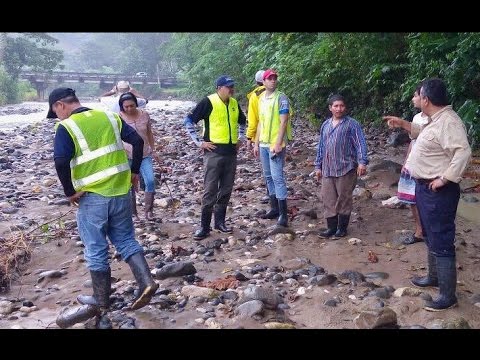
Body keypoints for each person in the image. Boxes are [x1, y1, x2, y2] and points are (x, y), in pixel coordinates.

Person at [49, 87, 158, 329]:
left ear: (60, 105)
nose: (57, 117)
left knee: (96, 248)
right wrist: (135, 171)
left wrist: (69, 192)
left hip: (93, 197)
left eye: (56, 112)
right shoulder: (109, 116)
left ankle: (101, 300)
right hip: (121, 191)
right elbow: (138, 142)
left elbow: (60, 160)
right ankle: (146, 281)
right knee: (126, 240)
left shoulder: (66, 127)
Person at [384, 78, 471, 311]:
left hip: (439, 190)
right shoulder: (436, 120)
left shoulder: (449, 122)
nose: (417, 98)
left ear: (426, 99)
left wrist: (444, 178)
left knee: (441, 239)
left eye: (419, 95)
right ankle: (434, 278)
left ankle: (447, 296)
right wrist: (403, 124)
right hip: (424, 187)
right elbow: (423, 133)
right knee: (431, 235)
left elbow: (463, 152)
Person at [184, 75, 246, 240]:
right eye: (228, 87)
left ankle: (220, 223)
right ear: (219, 88)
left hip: (231, 153)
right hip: (213, 153)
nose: (231, 89)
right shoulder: (208, 102)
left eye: (232, 86)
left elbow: (243, 122)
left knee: (226, 189)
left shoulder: (233, 103)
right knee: (210, 190)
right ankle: (204, 227)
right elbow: (189, 120)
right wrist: (199, 142)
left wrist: (241, 138)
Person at [315, 94, 368, 238]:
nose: (339, 109)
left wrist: (362, 162)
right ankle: (331, 228)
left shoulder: (352, 124)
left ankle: (342, 228)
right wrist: (318, 166)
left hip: (346, 167)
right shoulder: (325, 125)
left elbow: (360, 144)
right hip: (327, 168)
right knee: (328, 198)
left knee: (344, 198)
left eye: (342, 106)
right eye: (336, 106)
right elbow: (321, 147)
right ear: (330, 108)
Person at [253, 69, 293, 227]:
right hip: (263, 143)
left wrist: (277, 143)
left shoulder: (281, 98)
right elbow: (260, 122)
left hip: (275, 145)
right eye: (270, 79)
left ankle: (284, 215)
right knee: (268, 176)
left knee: (278, 177)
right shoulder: (261, 98)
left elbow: (283, 121)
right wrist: (256, 143)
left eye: (275, 78)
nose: (273, 81)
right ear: (263, 82)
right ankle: (274, 208)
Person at [119, 92, 160, 221]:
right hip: (126, 155)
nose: (129, 109)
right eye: (126, 107)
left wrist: (154, 150)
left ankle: (148, 212)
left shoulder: (144, 115)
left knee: (150, 180)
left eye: (132, 105)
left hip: (144, 154)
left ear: (136, 104)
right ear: (122, 107)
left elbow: (149, 133)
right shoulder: (118, 117)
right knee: (129, 184)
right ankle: (133, 213)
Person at [396, 83, 428, 245]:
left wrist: (401, 123)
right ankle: (419, 230)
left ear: (425, 98)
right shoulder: (416, 118)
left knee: (425, 200)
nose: (413, 99)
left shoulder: (434, 119)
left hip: (425, 167)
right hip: (412, 164)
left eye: (415, 95)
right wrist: (406, 161)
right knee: (411, 200)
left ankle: (427, 230)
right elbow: (413, 142)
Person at [246, 70, 269, 204]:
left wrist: (249, 138)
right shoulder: (278, 95)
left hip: (261, 136)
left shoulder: (255, 95)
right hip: (276, 136)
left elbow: (253, 120)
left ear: (256, 82)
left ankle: (270, 193)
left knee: (266, 168)